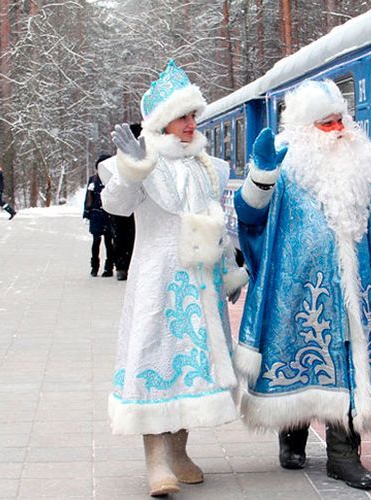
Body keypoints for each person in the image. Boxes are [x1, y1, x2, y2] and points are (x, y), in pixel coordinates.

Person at [232, 79, 371, 491]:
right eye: (327, 123)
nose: (339, 128)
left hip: (351, 290)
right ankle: (292, 433)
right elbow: (249, 217)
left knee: (346, 361)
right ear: (306, 129)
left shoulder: (356, 165)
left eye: (341, 119)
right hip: (298, 291)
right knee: (299, 360)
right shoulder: (285, 167)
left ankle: (344, 455)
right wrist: (260, 176)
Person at [98, 60, 248, 497]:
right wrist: (131, 166)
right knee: (156, 359)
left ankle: (179, 452)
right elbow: (118, 206)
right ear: (163, 121)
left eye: (193, 116)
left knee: (194, 369)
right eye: (183, 116)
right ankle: (156, 461)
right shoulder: (144, 162)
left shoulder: (208, 167)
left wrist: (228, 274)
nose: (191, 124)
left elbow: (214, 223)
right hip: (157, 281)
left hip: (200, 286)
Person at [110, 124, 140, 281]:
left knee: (123, 238)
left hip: (126, 216)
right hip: (126, 214)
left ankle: (122, 266)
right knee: (126, 238)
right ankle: (122, 266)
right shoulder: (119, 165)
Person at [83, 155, 115, 277]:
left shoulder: (112, 179)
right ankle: (94, 266)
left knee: (109, 242)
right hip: (96, 214)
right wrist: (87, 213)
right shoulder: (93, 180)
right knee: (96, 241)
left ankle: (109, 267)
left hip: (109, 215)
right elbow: (88, 197)